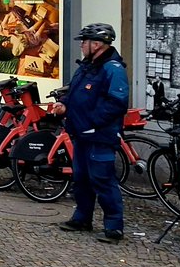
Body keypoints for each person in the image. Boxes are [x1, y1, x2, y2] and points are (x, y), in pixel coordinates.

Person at [50, 22, 129, 244]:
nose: (81, 45)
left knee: (102, 180)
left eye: (84, 41)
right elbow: (75, 93)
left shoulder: (112, 69)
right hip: (81, 134)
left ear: (97, 44)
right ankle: (82, 218)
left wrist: (92, 122)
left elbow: (117, 103)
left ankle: (114, 226)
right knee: (82, 179)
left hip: (100, 136)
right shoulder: (87, 66)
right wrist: (64, 105)